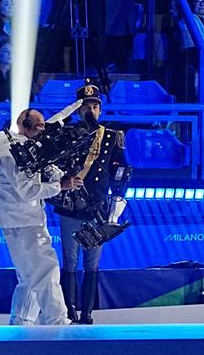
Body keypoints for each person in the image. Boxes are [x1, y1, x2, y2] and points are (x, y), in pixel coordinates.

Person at [0, 106, 77, 326]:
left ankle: (21, 324)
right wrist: (59, 186)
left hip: (27, 219)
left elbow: (43, 175)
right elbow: (26, 190)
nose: (43, 131)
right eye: (40, 127)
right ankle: (57, 322)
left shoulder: (29, 149)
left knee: (29, 277)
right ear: (25, 127)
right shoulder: (10, 153)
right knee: (46, 270)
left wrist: (61, 177)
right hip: (21, 221)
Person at [49, 83, 130, 324]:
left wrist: (116, 202)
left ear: (100, 110)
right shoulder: (68, 134)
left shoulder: (112, 136)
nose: (91, 111)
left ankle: (87, 313)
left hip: (97, 204)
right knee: (70, 261)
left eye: (95, 106)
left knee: (92, 263)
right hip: (71, 204)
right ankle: (70, 312)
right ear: (78, 110)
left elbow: (120, 171)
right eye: (86, 107)